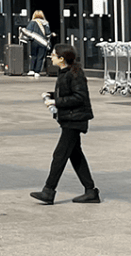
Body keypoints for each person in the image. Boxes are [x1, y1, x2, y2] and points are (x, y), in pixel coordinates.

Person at [31, 44, 99, 205]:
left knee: (60, 155)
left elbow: (79, 97)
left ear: (62, 58)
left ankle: (48, 191)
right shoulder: (65, 73)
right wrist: (51, 95)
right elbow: (67, 92)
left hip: (75, 120)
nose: (51, 57)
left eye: (53, 55)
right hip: (69, 119)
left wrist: (57, 101)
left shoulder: (75, 74)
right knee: (76, 156)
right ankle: (90, 191)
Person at [23, 10, 52, 76]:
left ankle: (32, 70)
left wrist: (31, 39)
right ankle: (37, 71)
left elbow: (28, 32)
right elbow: (48, 33)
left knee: (33, 56)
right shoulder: (46, 23)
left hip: (34, 41)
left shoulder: (32, 22)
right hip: (43, 42)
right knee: (40, 57)